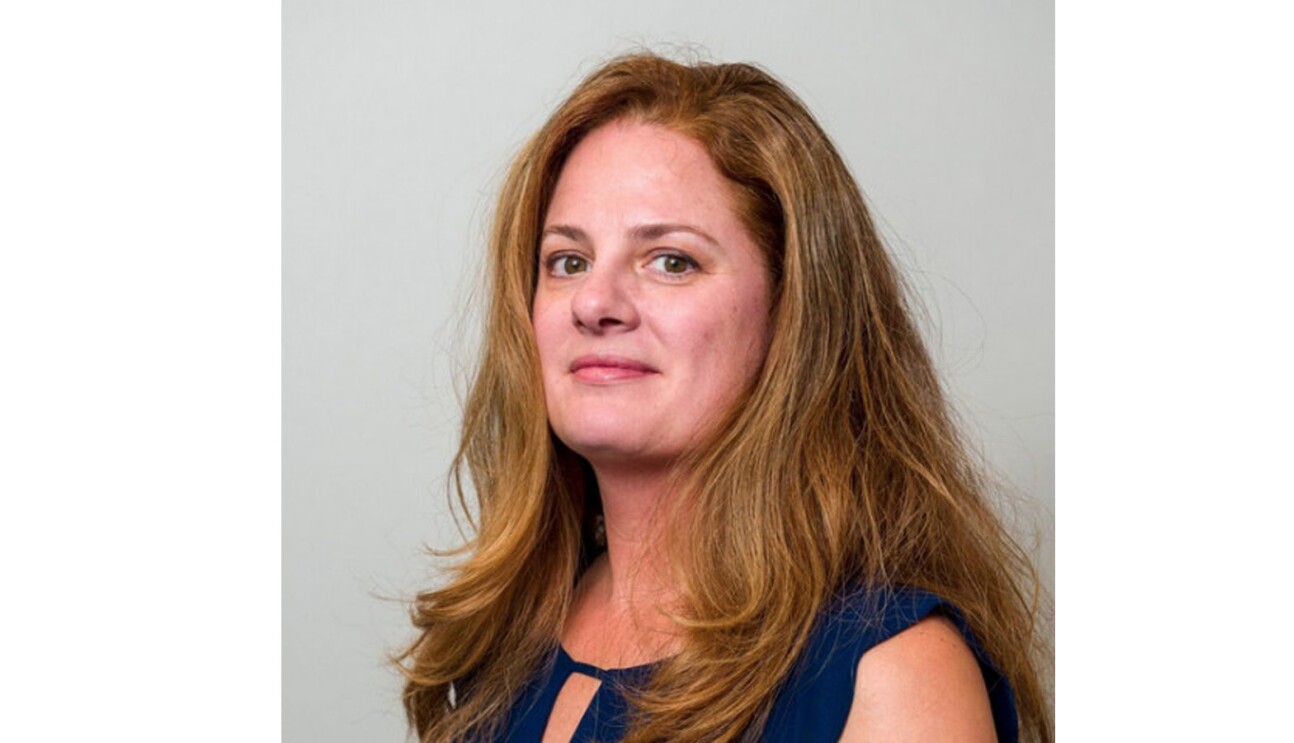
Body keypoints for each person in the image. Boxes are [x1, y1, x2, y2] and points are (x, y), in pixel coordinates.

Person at [396, 53, 1052, 742]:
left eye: (671, 260)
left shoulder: (892, 672)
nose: (593, 302)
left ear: (793, 310)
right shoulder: (503, 635)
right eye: (568, 260)